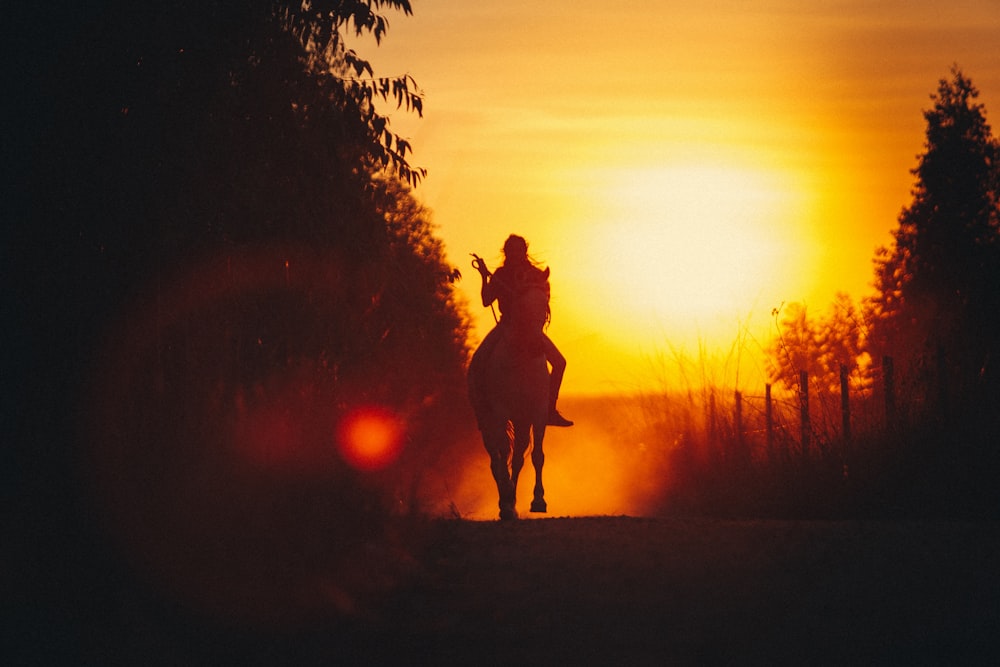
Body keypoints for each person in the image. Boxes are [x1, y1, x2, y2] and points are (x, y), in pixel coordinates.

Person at [471, 234, 573, 427]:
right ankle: (484, 408)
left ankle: (550, 409)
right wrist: (484, 276)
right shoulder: (500, 274)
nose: (515, 254)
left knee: (560, 362)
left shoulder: (536, 274)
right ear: (506, 253)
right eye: (511, 250)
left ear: (524, 251)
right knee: (478, 362)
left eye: (519, 250)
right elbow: (486, 301)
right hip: (506, 326)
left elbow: (544, 298)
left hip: (531, 330)